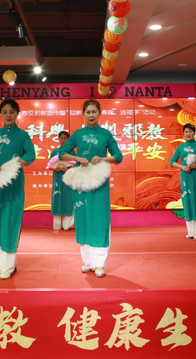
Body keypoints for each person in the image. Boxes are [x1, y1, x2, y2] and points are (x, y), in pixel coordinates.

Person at [60, 99, 123, 278]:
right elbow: (62, 153)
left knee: (99, 218)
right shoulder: (78, 134)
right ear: (83, 114)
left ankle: (100, 263)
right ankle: (88, 261)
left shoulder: (105, 134)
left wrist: (102, 159)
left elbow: (118, 156)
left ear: (99, 113)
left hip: (99, 181)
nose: (91, 115)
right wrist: (78, 159)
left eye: (94, 111)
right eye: (88, 112)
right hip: (81, 181)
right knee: (83, 218)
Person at [0, 99, 35, 280]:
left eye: (12, 112)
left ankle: (7, 266)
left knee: (11, 219)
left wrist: (13, 165)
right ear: (0, 114)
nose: (8, 115)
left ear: (17, 114)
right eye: (5, 112)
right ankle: (3, 263)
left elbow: (31, 155)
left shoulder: (23, 135)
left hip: (14, 183)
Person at [169, 123, 196, 239]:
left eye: (190, 131)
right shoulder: (180, 147)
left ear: (194, 133)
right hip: (185, 177)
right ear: (183, 134)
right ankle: (190, 231)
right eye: (186, 132)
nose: (188, 134)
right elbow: (172, 162)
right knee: (187, 200)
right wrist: (183, 167)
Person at [49, 130, 75, 230]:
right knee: (58, 198)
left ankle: (67, 225)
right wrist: (55, 169)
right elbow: (50, 166)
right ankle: (57, 225)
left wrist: (67, 169)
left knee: (68, 199)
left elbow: (77, 167)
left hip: (68, 178)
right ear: (58, 139)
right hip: (58, 178)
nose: (63, 140)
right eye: (61, 138)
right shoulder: (55, 152)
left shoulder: (72, 152)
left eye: (65, 138)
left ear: (68, 140)